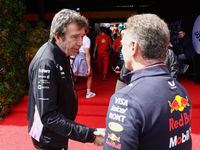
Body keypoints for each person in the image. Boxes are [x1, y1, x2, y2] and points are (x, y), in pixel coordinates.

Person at [103, 14, 192, 150]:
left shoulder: (126, 100)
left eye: (123, 43)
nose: (121, 47)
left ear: (133, 47)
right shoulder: (181, 91)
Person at [27, 9, 105, 150]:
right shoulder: (46, 62)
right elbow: (49, 116)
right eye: (75, 37)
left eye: (82, 36)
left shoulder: (63, 53)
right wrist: (91, 135)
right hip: (48, 137)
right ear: (57, 36)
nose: (80, 43)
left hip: (59, 130)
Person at [72, 27, 96, 98]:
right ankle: (88, 93)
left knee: (73, 76)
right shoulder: (87, 39)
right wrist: (89, 67)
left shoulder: (75, 37)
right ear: (87, 30)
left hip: (75, 57)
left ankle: (72, 93)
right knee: (89, 75)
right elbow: (87, 54)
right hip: (82, 58)